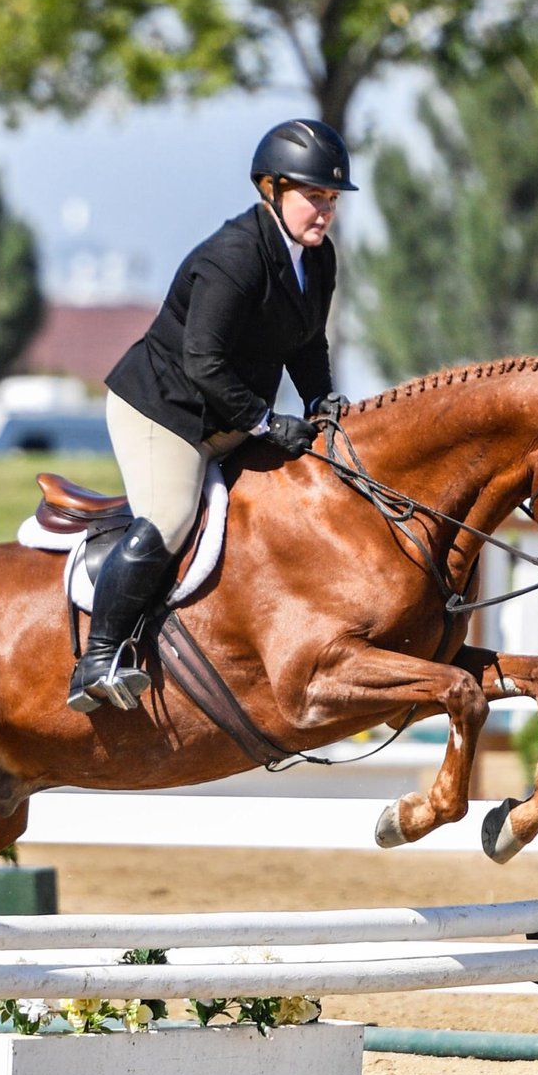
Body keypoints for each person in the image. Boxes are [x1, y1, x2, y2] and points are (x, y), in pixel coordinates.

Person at [68, 118, 357, 713]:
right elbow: (203, 362)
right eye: (313, 196)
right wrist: (264, 421)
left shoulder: (318, 259)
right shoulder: (234, 257)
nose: (324, 211)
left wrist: (320, 401)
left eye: (331, 198)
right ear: (271, 189)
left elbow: (306, 343)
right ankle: (97, 661)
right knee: (170, 518)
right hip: (164, 412)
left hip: (226, 413)